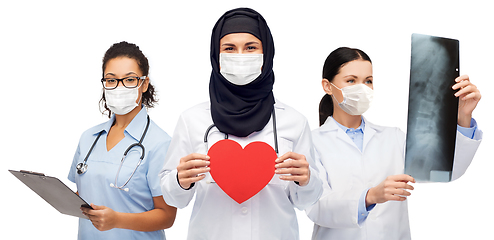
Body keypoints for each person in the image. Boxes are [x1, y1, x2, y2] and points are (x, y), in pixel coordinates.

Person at [159, 8, 322, 240]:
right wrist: (179, 180)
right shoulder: (192, 119)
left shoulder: (293, 121)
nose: (240, 55)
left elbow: (306, 201)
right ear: (216, 56)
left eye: (251, 47)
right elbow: (175, 199)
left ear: (267, 53)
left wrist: (306, 180)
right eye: (229, 48)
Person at [306, 47, 482, 239]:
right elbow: (316, 206)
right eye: (351, 81)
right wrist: (370, 196)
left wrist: (464, 117)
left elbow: (446, 170)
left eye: (368, 81)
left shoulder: (393, 138)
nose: (362, 88)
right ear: (327, 86)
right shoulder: (312, 142)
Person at [68, 41, 177, 240]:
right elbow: (86, 192)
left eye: (129, 80)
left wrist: (117, 220)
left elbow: (167, 216)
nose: (119, 87)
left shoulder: (160, 144)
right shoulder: (88, 138)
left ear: (144, 84)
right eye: (111, 80)